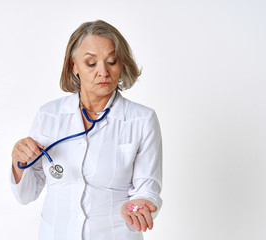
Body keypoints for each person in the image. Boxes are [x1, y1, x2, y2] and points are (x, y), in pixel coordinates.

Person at [10, 20, 162, 240]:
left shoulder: (142, 119)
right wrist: (18, 161)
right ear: (74, 66)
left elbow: (147, 189)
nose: (103, 71)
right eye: (91, 63)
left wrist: (139, 205)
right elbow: (26, 194)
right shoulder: (49, 115)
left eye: (111, 61)